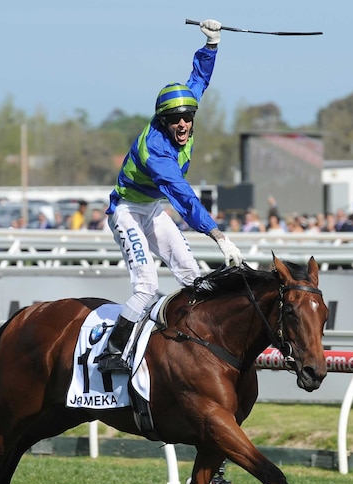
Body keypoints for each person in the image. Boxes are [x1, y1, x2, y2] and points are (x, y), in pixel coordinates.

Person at [96, 19, 243, 375]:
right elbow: (186, 200)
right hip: (128, 211)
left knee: (194, 277)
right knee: (147, 287)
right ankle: (110, 353)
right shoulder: (157, 153)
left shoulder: (182, 117)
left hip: (151, 208)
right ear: (163, 121)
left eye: (187, 117)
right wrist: (219, 237)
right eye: (175, 119)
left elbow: (198, 80)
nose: (183, 125)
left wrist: (212, 44)